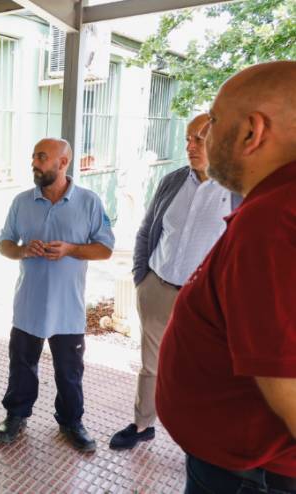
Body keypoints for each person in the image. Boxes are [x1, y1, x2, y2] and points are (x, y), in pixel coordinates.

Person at [157, 61, 296, 493]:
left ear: (252, 132)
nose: (203, 138)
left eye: (213, 122)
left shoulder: (273, 220)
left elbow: (286, 380)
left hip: (249, 473)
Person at [109, 114, 240, 450]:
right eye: (187, 139)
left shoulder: (236, 190)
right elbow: (146, 230)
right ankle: (142, 425)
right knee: (150, 365)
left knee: (203, 371)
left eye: (199, 139)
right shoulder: (172, 181)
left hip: (203, 301)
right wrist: (142, 278)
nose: (190, 146)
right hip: (157, 287)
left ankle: (200, 440)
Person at [0, 138, 114, 453]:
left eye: (42, 157)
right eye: (34, 157)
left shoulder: (89, 202)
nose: (34, 163)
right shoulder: (21, 202)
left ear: (63, 163)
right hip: (28, 305)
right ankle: (16, 415)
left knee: (70, 372)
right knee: (21, 366)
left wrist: (71, 249)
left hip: (68, 308)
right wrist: (22, 250)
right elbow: (4, 243)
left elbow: (105, 248)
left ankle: (71, 421)